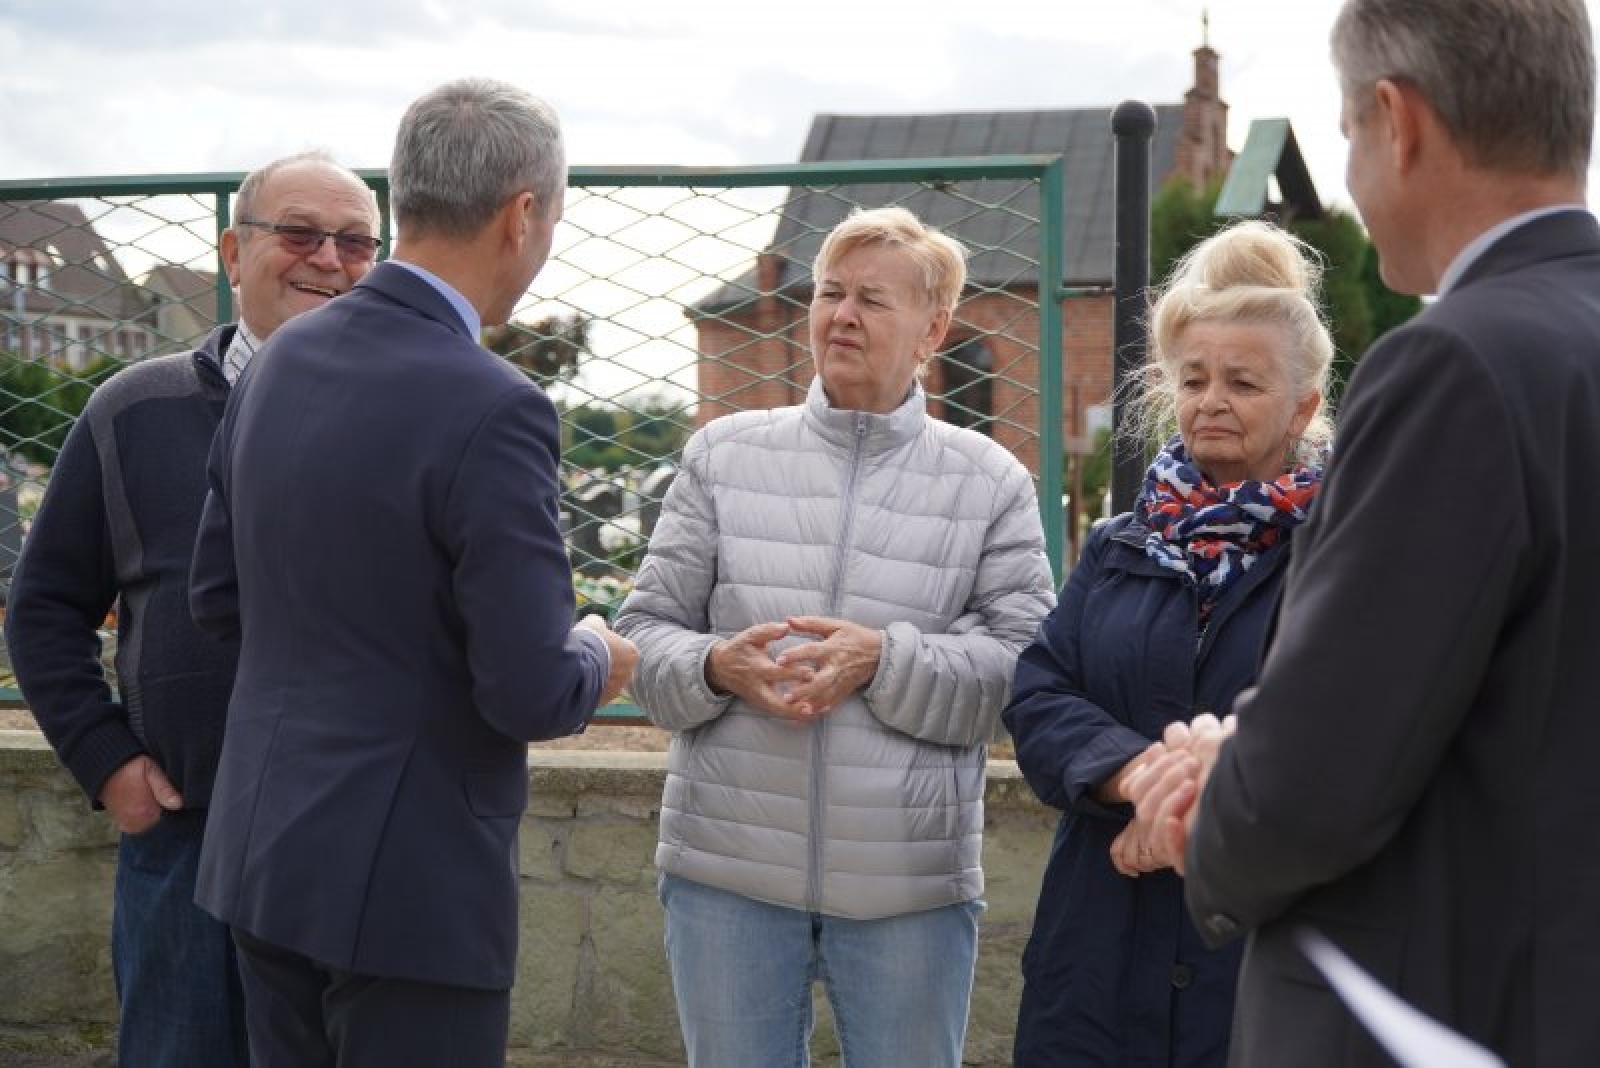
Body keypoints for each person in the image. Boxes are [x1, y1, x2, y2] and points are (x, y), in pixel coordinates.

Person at [1130, 1, 1600, 1064]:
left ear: (1399, 123)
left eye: (1345, 133)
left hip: (1430, 1012)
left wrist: (1215, 794)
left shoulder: (1455, 364)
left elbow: (1320, 773)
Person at [187, 78, 637, 1068]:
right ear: (523, 215)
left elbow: (215, 603)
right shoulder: (494, 404)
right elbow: (527, 689)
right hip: (411, 888)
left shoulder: (272, 366)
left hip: (265, 853)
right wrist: (598, 654)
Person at [613, 205, 1055, 1068]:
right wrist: (713, 665)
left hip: (908, 894)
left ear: (934, 329)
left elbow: (1021, 670)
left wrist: (882, 659)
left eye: (872, 300)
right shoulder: (722, 454)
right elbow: (642, 633)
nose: (842, 315)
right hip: (726, 878)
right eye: (829, 292)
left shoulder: (990, 480)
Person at [4, 149, 381, 1067]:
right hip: (185, 839)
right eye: (298, 233)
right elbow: (46, 606)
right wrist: (110, 765)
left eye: (357, 242)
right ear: (231, 250)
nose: (327, 258)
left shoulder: (399, 413)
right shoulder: (133, 408)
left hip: (354, 837)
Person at [1001, 220, 1333, 1067]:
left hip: (1259, 950)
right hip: (1099, 958)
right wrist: (1140, 776)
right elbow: (1039, 693)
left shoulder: (1348, 550)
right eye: (1194, 379)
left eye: (1243, 382)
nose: (1211, 399)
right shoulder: (1121, 542)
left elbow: (1356, 720)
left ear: (1303, 406)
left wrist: (1194, 810)